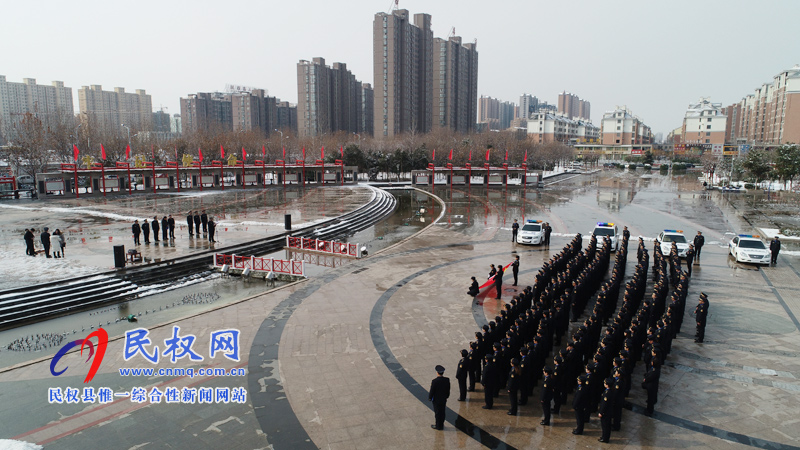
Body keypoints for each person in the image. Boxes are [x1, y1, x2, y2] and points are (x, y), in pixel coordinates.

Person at [428, 365, 450, 430]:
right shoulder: (447, 380)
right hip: (443, 399)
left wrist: (430, 397)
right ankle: (441, 424)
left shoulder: (434, 381)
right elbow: (448, 389)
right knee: (442, 412)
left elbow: (432, 390)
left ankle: (438, 426)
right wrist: (447, 396)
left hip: (436, 400)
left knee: (437, 413)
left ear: (437, 372)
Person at [598, 377, 614, 443]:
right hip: (608, 412)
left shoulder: (607, 393)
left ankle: (605, 438)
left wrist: (601, 412)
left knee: (605, 426)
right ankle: (604, 436)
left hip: (606, 412)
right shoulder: (609, 391)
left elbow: (604, 404)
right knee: (605, 426)